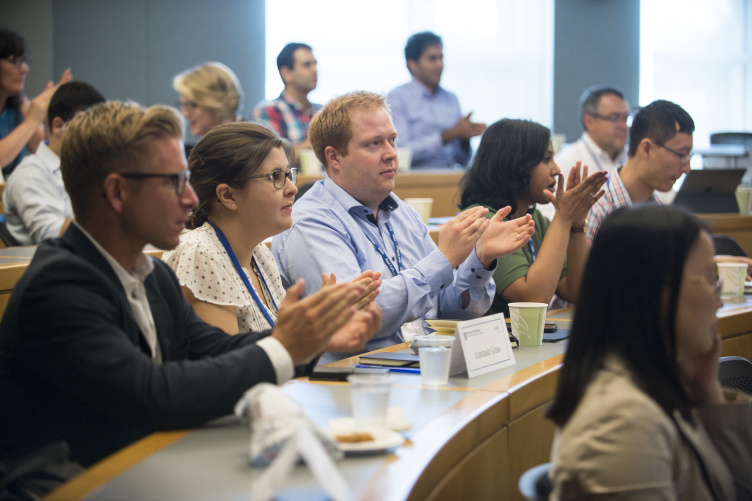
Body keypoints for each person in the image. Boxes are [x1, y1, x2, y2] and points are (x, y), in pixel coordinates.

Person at [0, 101, 380, 469]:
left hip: (141, 467)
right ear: (117, 192)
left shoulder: (152, 276)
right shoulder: (61, 285)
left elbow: (217, 349)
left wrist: (311, 336)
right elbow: (155, 394)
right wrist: (285, 346)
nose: (189, 197)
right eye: (173, 182)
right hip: (71, 484)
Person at [272, 91, 535, 363]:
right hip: (355, 382)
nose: (391, 154)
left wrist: (480, 259)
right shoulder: (310, 222)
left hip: (421, 367)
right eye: (374, 144)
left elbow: (449, 310)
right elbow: (361, 318)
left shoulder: (402, 213)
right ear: (334, 157)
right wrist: (443, 259)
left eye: (393, 140)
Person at [547, 205, 752, 500]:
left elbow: (735, 489)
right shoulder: (619, 424)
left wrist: (709, 390)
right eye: (710, 280)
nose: (719, 302)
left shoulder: (660, 377)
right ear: (656, 292)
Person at [162, 122, 381, 353]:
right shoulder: (200, 252)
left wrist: (323, 324)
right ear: (228, 195)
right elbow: (228, 372)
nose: (292, 189)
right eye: (276, 176)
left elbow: (284, 362)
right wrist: (312, 331)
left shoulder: (260, 254)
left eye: (288, 175)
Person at [458, 119, 607, 316]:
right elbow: (532, 300)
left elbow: (579, 292)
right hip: (492, 343)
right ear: (515, 164)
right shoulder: (483, 220)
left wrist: (577, 224)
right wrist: (563, 218)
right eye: (546, 159)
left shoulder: (536, 219)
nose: (556, 169)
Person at [3, 81, 105, 245]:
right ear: (58, 126)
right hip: (56, 267)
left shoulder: (93, 170)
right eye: (88, 126)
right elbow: (51, 235)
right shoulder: (30, 173)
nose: (97, 137)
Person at [587, 99, 694, 244]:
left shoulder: (659, 212)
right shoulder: (598, 210)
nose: (687, 168)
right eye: (681, 155)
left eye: (689, 155)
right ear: (646, 149)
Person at [387, 32, 485, 168]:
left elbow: (462, 160)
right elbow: (400, 153)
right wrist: (447, 136)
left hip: (451, 179)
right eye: (432, 58)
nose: (440, 64)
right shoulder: (397, 97)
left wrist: (464, 138)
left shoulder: (451, 99)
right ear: (412, 64)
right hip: (415, 183)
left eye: (441, 57)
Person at [539, 85, 629, 221]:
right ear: (589, 121)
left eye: (626, 118)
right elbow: (550, 218)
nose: (624, 126)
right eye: (614, 118)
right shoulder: (566, 162)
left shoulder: (633, 158)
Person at [0, 28, 71, 178]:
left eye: (25, 61)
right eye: (15, 61)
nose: (25, 69)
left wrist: (49, 115)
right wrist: (32, 121)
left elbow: (45, 151)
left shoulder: (19, 104)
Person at [251, 43, 320, 166]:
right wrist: (318, 139)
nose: (315, 70)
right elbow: (270, 161)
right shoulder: (268, 110)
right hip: (289, 184)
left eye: (315, 64)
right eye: (307, 65)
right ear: (286, 73)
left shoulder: (321, 111)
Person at [173, 62, 243, 138]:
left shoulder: (248, 144)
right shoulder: (216, 144)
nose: (184, 114)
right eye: (183, 105)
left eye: (190, 105)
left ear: (216, 101)